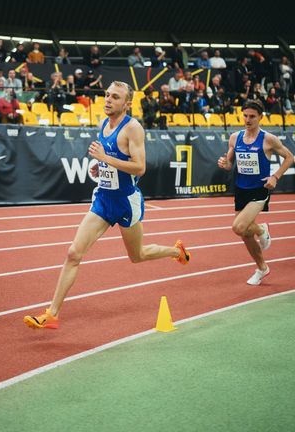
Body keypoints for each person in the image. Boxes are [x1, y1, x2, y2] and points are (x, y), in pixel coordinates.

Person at [23, 81, 191, 329]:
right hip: (103, 198)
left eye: (115, 97)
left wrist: (104, 158)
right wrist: (100, 166)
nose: (108, 100)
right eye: (107, 95)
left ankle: (177, 252)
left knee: (138, 255)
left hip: (125, 201)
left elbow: (140, 168)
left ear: (127, 103)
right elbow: (111, 161)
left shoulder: (133, 128)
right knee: (73, 253)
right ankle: (52, 314)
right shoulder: (103, 123)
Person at [217, 99, 294, 286]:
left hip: (259, 189)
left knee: (238, 227)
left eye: (252, 116)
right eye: (245, 115)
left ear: (261, 117)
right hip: (241, 189)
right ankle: (262, 268)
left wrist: (275, 176)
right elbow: (229, 164)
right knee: (245, 234)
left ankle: (261, 230)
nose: (248, 119)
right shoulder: (235, 137)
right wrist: (224, 164)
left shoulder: (268, 139)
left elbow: (290, 157)